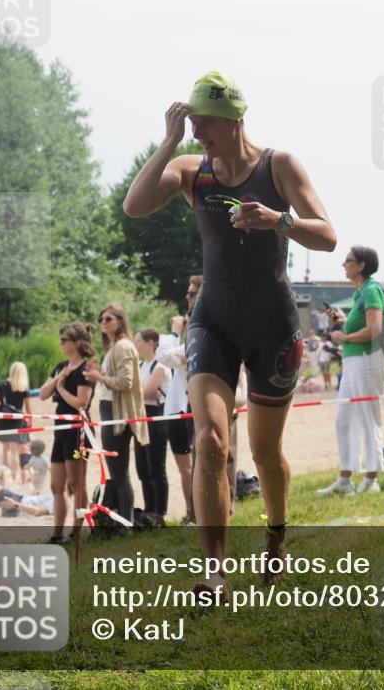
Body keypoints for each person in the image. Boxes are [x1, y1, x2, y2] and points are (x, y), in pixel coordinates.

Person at [123, 71, 336, 593]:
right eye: (191, 124)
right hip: (213, 323)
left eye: (205, 123)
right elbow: (134, 206)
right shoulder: (191, 171)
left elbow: (328, 237)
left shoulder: (278, 165)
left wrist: (278, 221)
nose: (198, 134)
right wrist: (167, 141)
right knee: (211, 439)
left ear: (236, 119)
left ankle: (276, 538)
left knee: (265, 452)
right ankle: (214, 570)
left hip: (274, 328)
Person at [319, 246, 384, 495]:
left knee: (369, 418)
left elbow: (375, 330)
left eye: (348, 261)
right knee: (344, 420)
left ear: (361, 265)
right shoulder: (360, 292)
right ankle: (345, 479)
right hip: (353, 362)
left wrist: (343, 337)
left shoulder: (372, 289)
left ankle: (371, 480)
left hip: (367, 360)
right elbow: (358, 327)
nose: (343, 264)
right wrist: (342, 320)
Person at [83, 304, 148, 526]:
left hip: (118, 413)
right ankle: (124, 520)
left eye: (108, 318)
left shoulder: (122, 346)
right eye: (101, 318)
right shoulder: (113, 347)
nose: (103, 322)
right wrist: (98, 374)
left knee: (119, 473)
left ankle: (126, 522)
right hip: (110, 410)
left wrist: (100, 379)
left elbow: (125, 382)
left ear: (120, 321)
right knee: (118, 472)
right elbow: (116, 379)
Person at [38, 322, 96, 544]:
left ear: (77, 343)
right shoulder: (61, 367)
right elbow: (43, 394)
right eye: (60, 339)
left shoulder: (86, 369)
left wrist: (61, 389)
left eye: (64, 340)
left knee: (76, 483)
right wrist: (58, 379)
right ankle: (57, 533)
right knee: (56, 486)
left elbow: (81, 403)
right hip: (61, 432)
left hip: (79, 433)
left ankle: (76, 532)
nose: (61, 343)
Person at [157, 275, 200, 524]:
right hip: (177, 406)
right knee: (184, 467)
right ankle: (190, 512)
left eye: (192, 294)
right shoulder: (187, 336)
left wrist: (173, 333)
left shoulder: (197, 330)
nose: (187, 297)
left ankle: (197, 513)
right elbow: (169, 356)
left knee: (194, 465)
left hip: (192, 406)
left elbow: (163, 355)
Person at [135, 327, 172, 516]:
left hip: (156, 417)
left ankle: (159, 512)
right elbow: (139, 392)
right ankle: (149, 508)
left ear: (150, 342)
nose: (136, 345)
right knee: (142, 468)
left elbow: (146, 392)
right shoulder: (140, 365)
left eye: (138, 341)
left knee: (156, 467)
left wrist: (140, 392)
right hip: (141, 417)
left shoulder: (160, 365)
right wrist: (141, 392)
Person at [0, 361, 34, 483]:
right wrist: (30, 421)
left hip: (3, 420)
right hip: (17, 420)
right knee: (17, 450)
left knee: (6, 450)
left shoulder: (2, 384)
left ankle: (4, 477)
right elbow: (28, 408)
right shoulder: (23, 387)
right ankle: (15, 477)